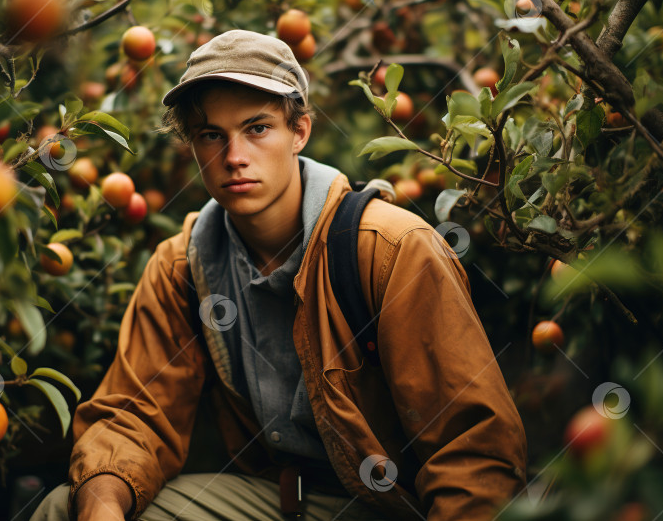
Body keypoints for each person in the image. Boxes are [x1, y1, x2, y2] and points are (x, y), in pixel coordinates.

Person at [31, 29, 527, 521]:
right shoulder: (184, 266)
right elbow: (132, 416)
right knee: (67, 506)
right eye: (211, 135)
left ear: (300, 131)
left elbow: (473, 451)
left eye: (257, 128)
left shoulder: (391, 249)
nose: (234, 157)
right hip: (283, 503)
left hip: (394, 506)